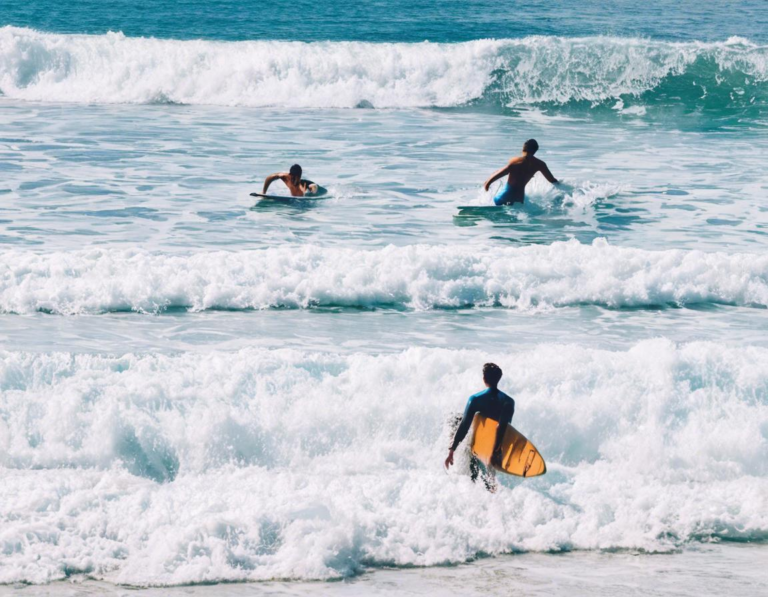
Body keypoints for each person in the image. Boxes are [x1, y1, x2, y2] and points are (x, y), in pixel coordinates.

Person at [445, 363, 515, 489]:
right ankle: (493, 495)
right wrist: (496, 451)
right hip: (496, 447)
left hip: (478, 445)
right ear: (499, 379)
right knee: (490, 479)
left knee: (474, 474)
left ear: (484, 379)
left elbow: (465, 426)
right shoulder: (509, 402)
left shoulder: (475, 399)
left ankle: (473, 495)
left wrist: (452, 449)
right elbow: (505, 427)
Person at [483, 139, 559, 205]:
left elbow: (501, 173)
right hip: (518, 199)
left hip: (503, 196)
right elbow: (551, 180)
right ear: (536, 150)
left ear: (523, 148)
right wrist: (564, 186)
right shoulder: (540, 164)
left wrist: (488, 183)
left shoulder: (515, 163)